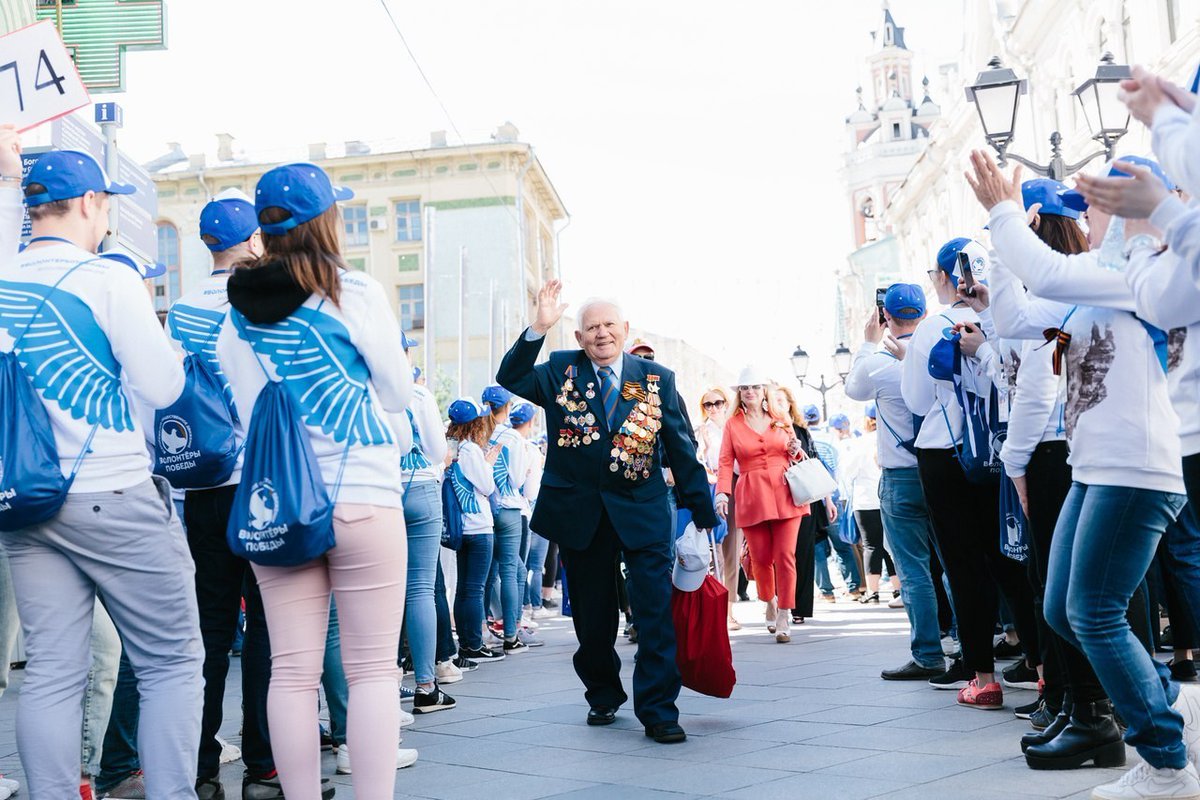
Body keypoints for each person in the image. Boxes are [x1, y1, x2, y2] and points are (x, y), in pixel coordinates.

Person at [967, 149, 1200, 798]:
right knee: (1065, 613)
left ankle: (1166, 764)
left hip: (1135, 469)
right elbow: (1016, 316)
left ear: (1126, 208)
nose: (1083, 209)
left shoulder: (1134, 268)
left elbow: (1046, 270)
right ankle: (1174, 710)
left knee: (1093, 613)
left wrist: (1005, 211)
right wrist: (999, 235)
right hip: (1098, 468)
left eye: (1093, 198)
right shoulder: (1099, 274)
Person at [0, 146, 204, 797]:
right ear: (90, 203)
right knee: (172, 660)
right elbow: (164, 383)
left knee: (54, 672)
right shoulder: (108, 278)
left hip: (24, 502)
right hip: (112, 493)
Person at [217, 162, 413, 799]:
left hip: (279, 502)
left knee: (292, 674)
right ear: (327, 218)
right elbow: (395, 392)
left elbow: (247, 405)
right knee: (373, 673)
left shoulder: (237, 312)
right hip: (362, 494)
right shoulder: (353, 293)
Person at [496, 281, 718, 743]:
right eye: (591, 327)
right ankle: (602, 692)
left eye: (609, 326)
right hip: (581, 514)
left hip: (643, 510)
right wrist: (539, 326)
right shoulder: (560, 371)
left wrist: (701, 509)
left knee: (654, 612)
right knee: (594, 620)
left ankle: (659, 710)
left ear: (625, 329)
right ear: (578, 337)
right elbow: (511, 377)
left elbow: (680, 448)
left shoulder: (654, 378)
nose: (601, 334)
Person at [163, 193, 282, 800]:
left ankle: (202, 757)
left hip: (203, 486)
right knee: (266, 626)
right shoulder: (265, 298)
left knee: (209, 629)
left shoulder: (180, 309)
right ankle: (263, 758)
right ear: (255, 241)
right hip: (261, 480)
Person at [900, 236, 1039, 709]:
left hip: (945, 453)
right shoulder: (1007, 317)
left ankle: (983, 678)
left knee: (963, 566)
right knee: (1012, 558)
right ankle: (1043, 670)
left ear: (944, 277)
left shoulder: (930, 328)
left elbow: (917, 401)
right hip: (1002, 451)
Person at [845, 283, 946, 680]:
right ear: (924, 313)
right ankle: (977, 641)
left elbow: (854, 389)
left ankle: (927, 653)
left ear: (885, 316)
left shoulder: (878, 363)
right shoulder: (936, 351)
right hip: (943, 469)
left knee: (914, 569)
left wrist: (868, 344)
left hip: (901, 474)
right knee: (957, 562)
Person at [715, 369, 808, 641]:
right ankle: (770, 600)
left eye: (755, 386)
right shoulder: (732, 424)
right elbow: (724, 462)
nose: (750, 391)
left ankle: (784, 613)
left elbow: (796, 454)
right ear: (739, 394)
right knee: (760, 558)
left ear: (763, 390)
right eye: (744, 388)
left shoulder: (780, 419)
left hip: (785, 492)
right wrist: (722, 493)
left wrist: (794, 449)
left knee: (786, 556)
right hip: (751, 494)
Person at [395, 329, 458, 710]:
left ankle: (384, 683)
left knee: (382, 591)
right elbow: (436, 449)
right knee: (419, 587)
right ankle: (425, 685)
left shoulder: (363, 388)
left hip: (380, 491)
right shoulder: (417, 393)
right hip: (419, 487)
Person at [445, 399, 504, 663]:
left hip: (460, 527)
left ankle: (467, 644)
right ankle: (471, 645)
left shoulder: (451, 448)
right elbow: (487, 486)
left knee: (464, 589)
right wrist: (489, 462)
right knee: (475, 589)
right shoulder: (470, 449)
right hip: (478, 526)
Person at [480, 385, 535, 653]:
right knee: (511, 571)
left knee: (486, 574)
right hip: (509, 508)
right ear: (508, 408)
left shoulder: (477, 431)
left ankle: (483, 629)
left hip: (484, 509)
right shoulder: (512, 437)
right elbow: (517, 479)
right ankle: (511, 635)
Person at [770, 386, 827, 627]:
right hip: (777, 499)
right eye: (774, 401)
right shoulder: (769, 431)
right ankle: (781, 603)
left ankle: (799, 608)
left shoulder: (801, 431)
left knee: (803, 551)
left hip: (803, 497)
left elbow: (814, 463)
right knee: (781, 554)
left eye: (782, 401)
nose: (778, 405)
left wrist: (828, 500)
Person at [842, 405, 897, 605]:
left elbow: (849, 472)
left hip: (866, 500)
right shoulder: (891, 436)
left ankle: (873, 592)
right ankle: (897, 590)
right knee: (892, 544)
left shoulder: (860, 443)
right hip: (890, 496)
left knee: (871, 545)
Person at [696, 386, 739, 628]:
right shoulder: (702, 431)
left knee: (733, 550)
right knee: (717, 551)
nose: (713, 408)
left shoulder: (735, 425)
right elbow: (697, 460)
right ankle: (722, 610)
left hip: (737, 485)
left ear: (726, 403)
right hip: (713, 488)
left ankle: (730, 607)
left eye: (718, 402)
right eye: (708, 404)